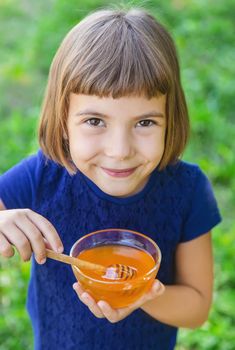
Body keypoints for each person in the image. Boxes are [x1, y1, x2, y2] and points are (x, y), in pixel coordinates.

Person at [0, 7, 221, 350]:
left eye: (145, 123)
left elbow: (197, 307)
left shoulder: (188, 190)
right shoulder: (42, 177)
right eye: (95, 121)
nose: (120, 151)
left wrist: (145, 293)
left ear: (170, 119)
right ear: (63, 121)